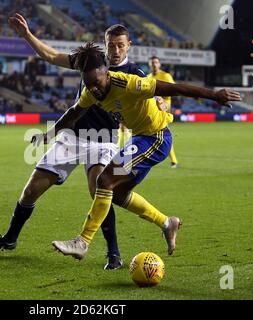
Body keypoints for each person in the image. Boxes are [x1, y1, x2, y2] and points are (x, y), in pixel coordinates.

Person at [43, 42, 241, 260]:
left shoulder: (132, 85)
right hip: (139, 138)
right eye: (88, 84)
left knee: (104, 180)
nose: (93, 89)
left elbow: (174, 88)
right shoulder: (91, 92)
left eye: (97, 83)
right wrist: (51, 134)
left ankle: (82, 242)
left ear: (107, 74)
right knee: (116, 194)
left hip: (156, 138)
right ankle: (167, 223)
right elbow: (73, 112)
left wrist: (215, 95)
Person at [0, 14, 144, 270]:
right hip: (71, 136)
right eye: (111, 45)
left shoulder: (134, 73)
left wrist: (161, 104)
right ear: (105, 43)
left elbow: (155, 94)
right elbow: (52, 56)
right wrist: (26, 34)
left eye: (121, 45)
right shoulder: (91, 60)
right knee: (31, 190)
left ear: (129, 45)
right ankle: (10, 238)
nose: (116, 50)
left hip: (104, 141)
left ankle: (114, 254)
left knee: (100, 189)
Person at [148, 56, 179, 168]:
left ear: (159, 64)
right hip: (152, 110)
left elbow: (175, 89)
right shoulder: (148, 77)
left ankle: (174, 161)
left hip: (163, 110)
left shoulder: (166, 76)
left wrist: (161, 97)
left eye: (156, 62)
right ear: (149, 65)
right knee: (156, 134)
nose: (154, 64)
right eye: (152, 63)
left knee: (163, 134)